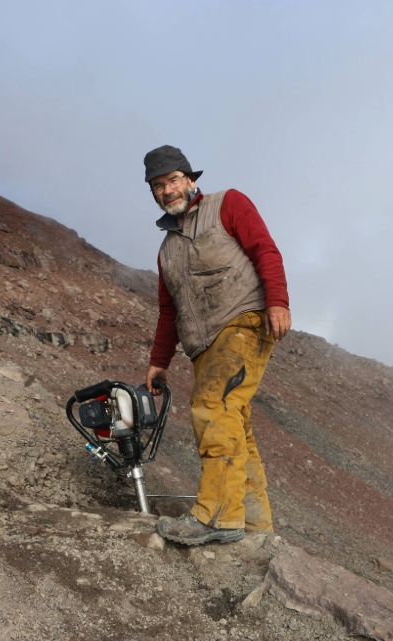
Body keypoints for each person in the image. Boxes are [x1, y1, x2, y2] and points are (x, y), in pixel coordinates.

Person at [143, 145, 291, 546]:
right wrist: (159, 362)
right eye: (158, 186)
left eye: (173, 180)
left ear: (191, 180)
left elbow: (265, 250)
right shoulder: (166, 250)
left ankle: (217, 517)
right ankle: (256, 528)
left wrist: (278, 300)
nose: (167, 190)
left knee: (213, 407)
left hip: (243, 322)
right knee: (234, 424)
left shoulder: (228, 203)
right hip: (204, 345)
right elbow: (167, 309)